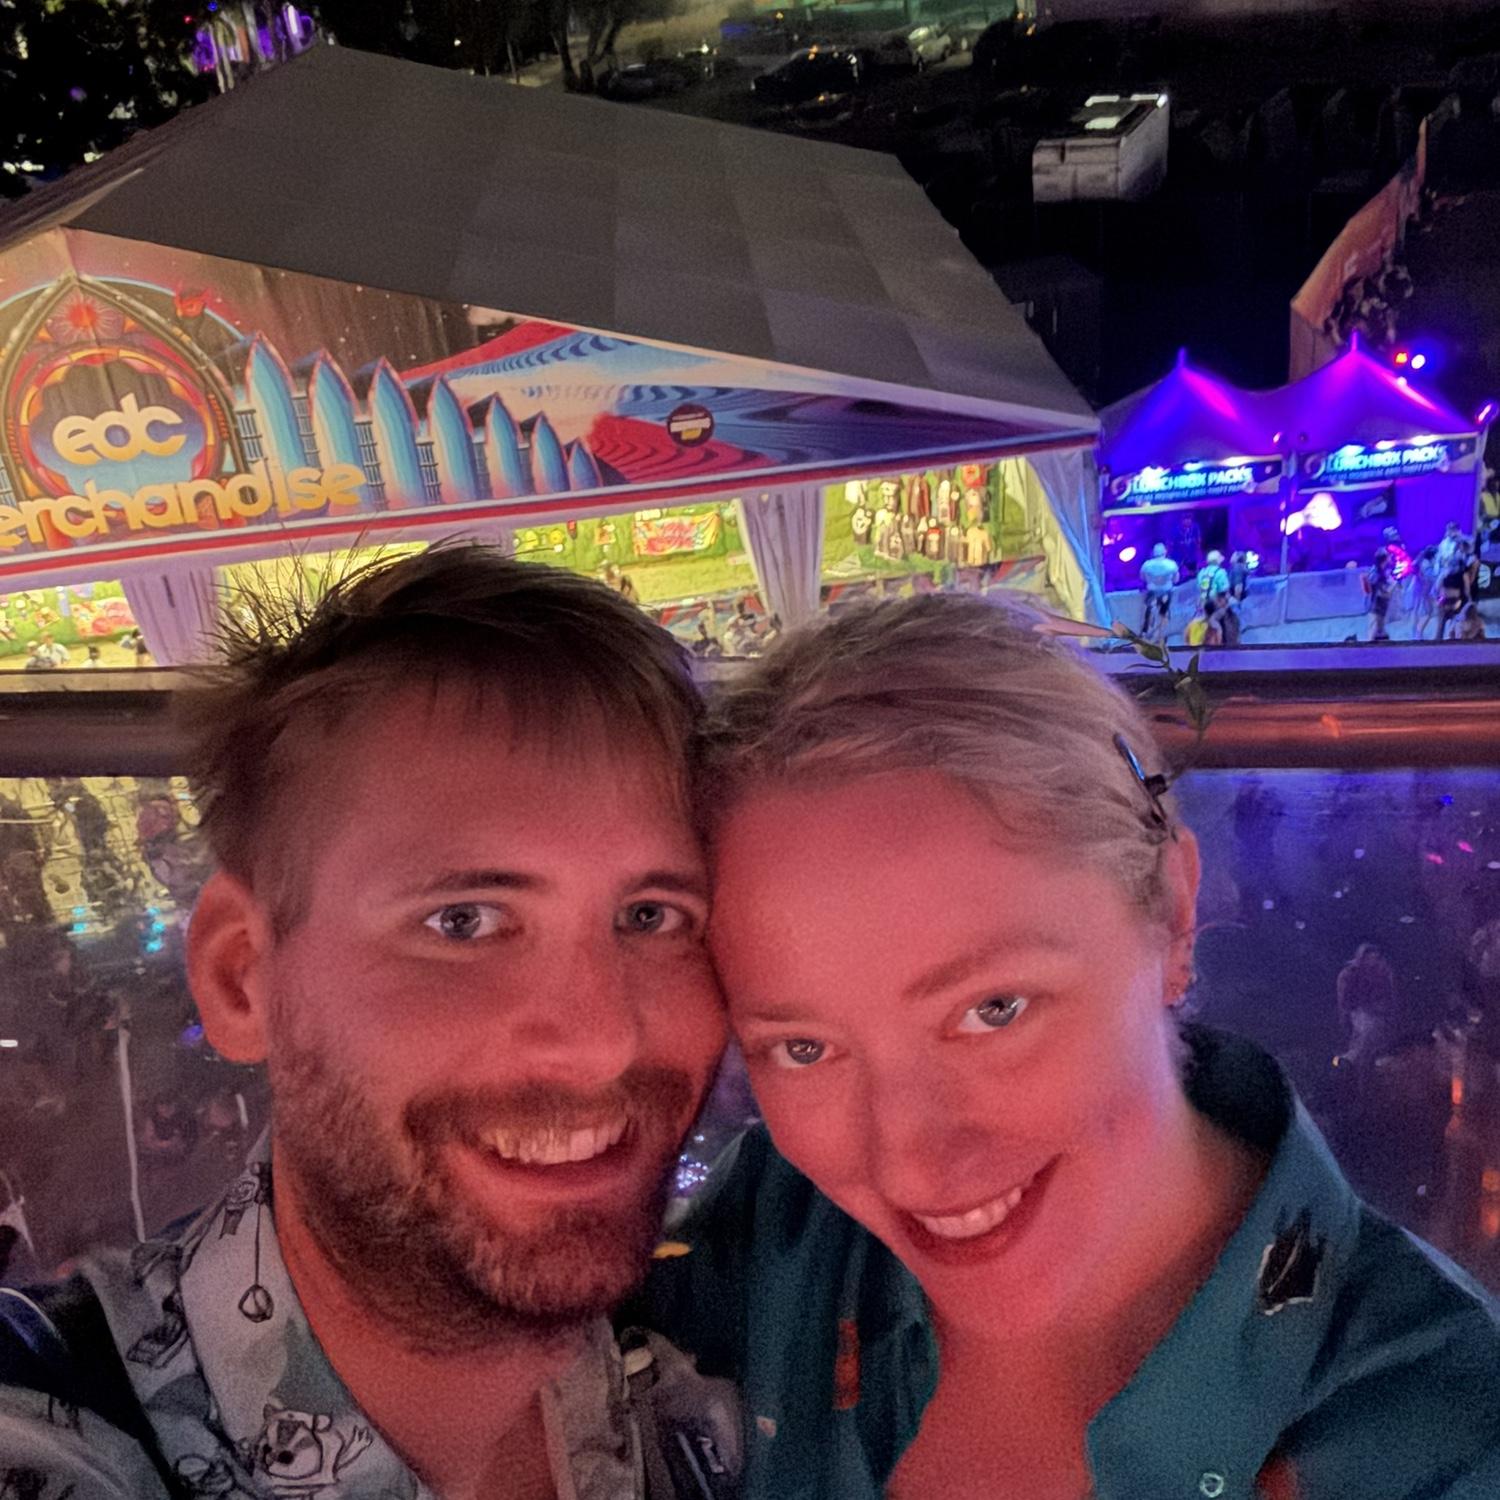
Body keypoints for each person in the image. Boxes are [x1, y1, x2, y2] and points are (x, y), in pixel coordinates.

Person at [649, 594, 1500, 1499]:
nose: (911, 1162)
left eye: (994, 1009)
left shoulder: (1443, 1440)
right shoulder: (771, 1237)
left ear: (1172, 911)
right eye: (804, 1048)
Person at [0, 548, 735, 1498]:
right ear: (242, 978)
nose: (602, 1043)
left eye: (650, 916)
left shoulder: (750, 1346)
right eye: (463, 921)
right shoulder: (46, 1428)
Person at [1137, 542, 1179, 639]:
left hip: (1152, 591)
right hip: (1166, 591)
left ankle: (1145, 631)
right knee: (1163, 613)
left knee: (1148, 611)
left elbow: (1142, 578)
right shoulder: (1171, 564)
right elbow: (1176, 579)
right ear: (1165, 552)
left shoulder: (1146, 565)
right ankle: (1161, 634)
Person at [1365, 547, 1395, 641]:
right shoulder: (1376, 573)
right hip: (1375, 604)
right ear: (1385, 558)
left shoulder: (1383, 571)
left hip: (1381, 604)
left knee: (1380, 630)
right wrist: (1392, 586)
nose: (1391, 557)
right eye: (1389, 556)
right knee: (1373, 629)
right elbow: (1381, 591)